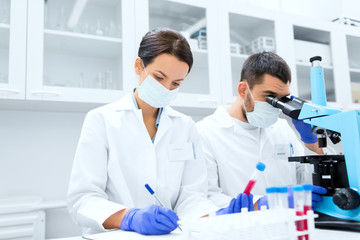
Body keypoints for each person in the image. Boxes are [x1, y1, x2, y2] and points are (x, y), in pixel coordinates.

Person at [67, 28, 253, 236]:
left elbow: (191, 196)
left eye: (176, 83)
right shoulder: (102, 120)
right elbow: (83, 199)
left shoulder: (185, 127)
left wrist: (213, 216)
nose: (166, 88)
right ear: (139, 66)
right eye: (158, 77)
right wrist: (129, 217)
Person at [196, 52, 327, 210]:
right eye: (269, 97)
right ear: (243, 90)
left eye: (282, 99)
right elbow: (207, 197)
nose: (275, 105)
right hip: (244, 229)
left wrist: (312, 143)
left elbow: (308, 184)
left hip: (291, 227)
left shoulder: (282, 128)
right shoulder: (206, 132)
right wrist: (262, 203)